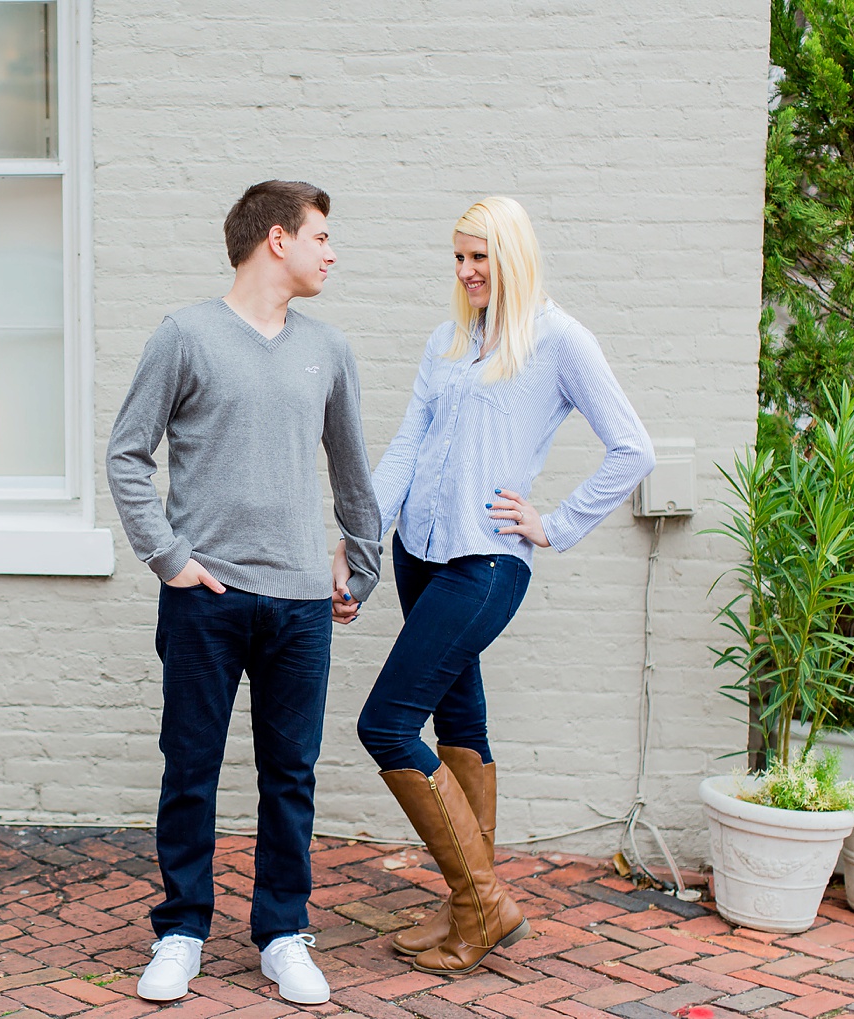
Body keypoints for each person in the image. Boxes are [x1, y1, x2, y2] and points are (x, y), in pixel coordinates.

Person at [339, 196, 653, 976]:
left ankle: (483, 903)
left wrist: (557, 521)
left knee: (385, 724)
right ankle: (465, 902)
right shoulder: (447, 340)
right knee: (462, 725)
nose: (468, 271)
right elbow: (406, 448)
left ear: (513, 255)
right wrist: (359, 545)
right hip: (420, 553)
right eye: (458, 258)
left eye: (481, 256)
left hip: (485, 563)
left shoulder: (558, 339)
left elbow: (631, 447)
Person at [107, 180, 383, 1005]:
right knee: (189, 766)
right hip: (206, 597)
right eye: (322, 236)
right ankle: (183, 929)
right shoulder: (185, 336)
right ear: (276, 239)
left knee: (289, 772)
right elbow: (127, 453)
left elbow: (352, 469)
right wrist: (167, 556)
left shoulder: (327, 349)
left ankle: (282, 932)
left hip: (301, 602)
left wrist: (359, 565)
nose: (331, 253)